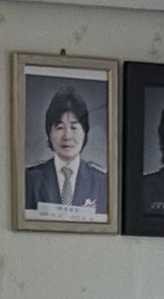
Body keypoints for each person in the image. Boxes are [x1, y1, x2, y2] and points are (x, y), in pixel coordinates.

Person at [24, 88, 108, 218]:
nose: (67, 136)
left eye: (74, 127)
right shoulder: (30, 179)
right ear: (49, 132)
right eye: (60, 127)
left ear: (85, 132)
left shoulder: (102, 182)